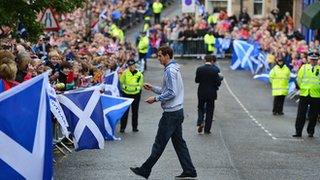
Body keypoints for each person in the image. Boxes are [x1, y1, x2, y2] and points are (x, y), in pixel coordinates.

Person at [130, 46, 197, 179]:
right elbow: (169, 90)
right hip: (177, 111)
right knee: (179, 144)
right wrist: (153, 88)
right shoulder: (174, 68)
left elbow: (171, 93)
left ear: (167, 56)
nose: (158, 58)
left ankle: (145, 169)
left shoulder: (169, 71)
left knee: (159, 144)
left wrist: (155, 99)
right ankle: (189, 170)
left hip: (171, 114)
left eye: (160, 55)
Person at [293, 52, 320, 138]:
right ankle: (298, 131)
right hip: (304, 93)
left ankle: (310, 131)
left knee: (313, 115)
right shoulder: (304, 68)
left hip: (316, 95)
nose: (313, 61)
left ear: (317, 60)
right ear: (309, 59)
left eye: (315, 60)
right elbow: (299, 79)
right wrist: (302, 88)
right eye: (312, 59)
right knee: (301, 114)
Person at [195, 55, 221, 134]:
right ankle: (207, 130)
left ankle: (200, 121)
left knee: (200, 107)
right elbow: (218, 82)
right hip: (211, 93)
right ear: (212, 61)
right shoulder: (215, 70)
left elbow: (197, 80)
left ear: (205, 60)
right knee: (210, 111)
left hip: (201, 91)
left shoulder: (199, 69)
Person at [119, 59, 144, 133]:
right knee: (125, 112)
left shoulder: (139, 74)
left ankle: (135, 127)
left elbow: (141, 84)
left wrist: (138, 90)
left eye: (132, 65)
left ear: (135, 65)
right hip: (126, 94)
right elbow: (121, 81)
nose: (131, 67)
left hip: (136, 95)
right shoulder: (125, 73)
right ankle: (122, 128)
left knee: (135, 112)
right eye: (129, 65)